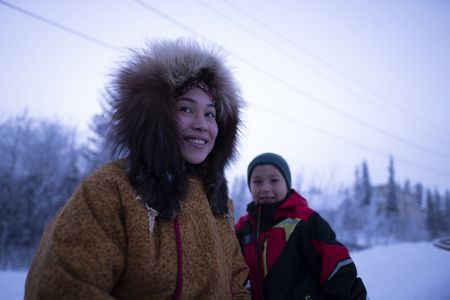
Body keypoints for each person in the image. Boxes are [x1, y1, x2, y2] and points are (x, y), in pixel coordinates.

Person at [25, 39, 250, 299]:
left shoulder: (218, 201)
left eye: (210, 114)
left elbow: (236, 284)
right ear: (155, 115)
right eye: (186, 109)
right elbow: (60, 286)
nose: (202, 124)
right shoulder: (112, 189)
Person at [236, 152, 367, 300]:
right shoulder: (242, 227)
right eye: (257, 182)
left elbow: (336, 267)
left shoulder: (305, 221)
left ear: (287, 184)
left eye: (274, 180)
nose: (265, 188)